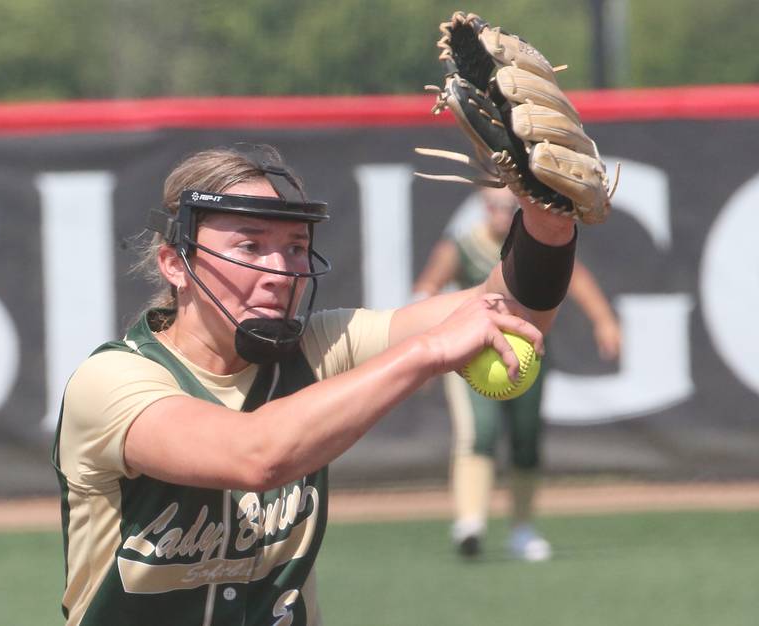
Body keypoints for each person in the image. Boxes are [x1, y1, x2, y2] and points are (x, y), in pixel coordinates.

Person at [52, 144, 579, 626]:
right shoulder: (113, 380)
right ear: (175, 263)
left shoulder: (315, 347)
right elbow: (256, 456)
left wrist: (547, 225)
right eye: (250, 246)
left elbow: (509, 311)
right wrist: (430, 350)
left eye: (295, 247)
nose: (280, 271)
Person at [413, 186, 621, 561]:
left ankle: (522, 528)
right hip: (475, 359)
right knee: (480, 434)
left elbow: (575, 277)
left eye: (508, 205)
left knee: (526, 440)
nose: (500, 211)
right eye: (494, 204)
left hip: (527, 354)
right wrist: (424, 341)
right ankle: (470, 522)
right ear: (483, 205)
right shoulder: (461, 244)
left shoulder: (530, 242)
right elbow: (428, 287)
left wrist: (604, 320)